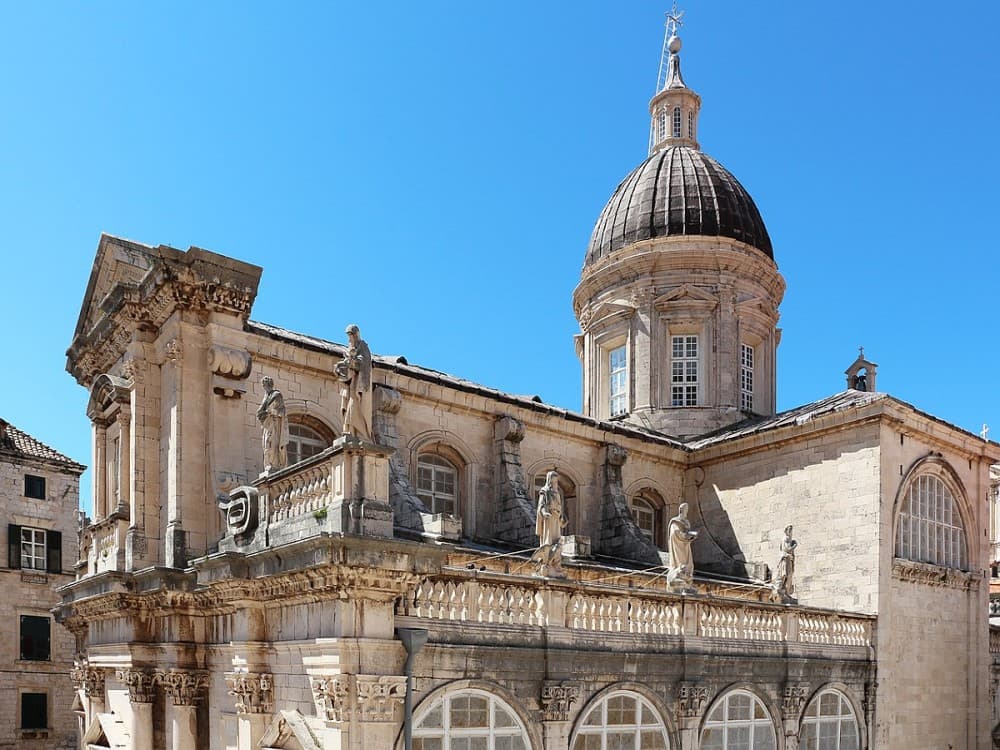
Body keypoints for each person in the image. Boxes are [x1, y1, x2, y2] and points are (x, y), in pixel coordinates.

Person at [335, 324, 373, 441]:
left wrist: (351, 362)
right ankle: (349, 431)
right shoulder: (350, 348)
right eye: (348, 335)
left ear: (356, 334)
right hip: (350, 385)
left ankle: (359, 434)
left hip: (358, 387)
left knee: (354, 406)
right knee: (347, 406)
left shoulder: (363, 346)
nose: (349, 338)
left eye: (351, 335)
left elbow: (363, 363)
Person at [533, 470, 566, 576]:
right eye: (553, 479)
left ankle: (556, 564)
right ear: (549, 479)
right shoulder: (544, 491)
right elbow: (541, 506)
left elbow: (559, 506)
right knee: (548, 541)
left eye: (556, 480)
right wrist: (544, 513)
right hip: (548, 519)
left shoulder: (557, 493)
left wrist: (561, 517)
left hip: (556, 519)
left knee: (557, 542)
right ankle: (546, 562)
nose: (554, 482)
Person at [256, 376, 288, 473]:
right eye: (263, 385)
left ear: (269, 385)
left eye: (265, 385)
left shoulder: (276, 395)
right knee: (266, 445)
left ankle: (274, 465)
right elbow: (260, 411)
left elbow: (281, 411)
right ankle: (268, 465)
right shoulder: (266, 396)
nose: (264, 387)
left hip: (274, 424)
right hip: (267, 424)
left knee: (272, 444)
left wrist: (271, 412)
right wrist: (262, 413)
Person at [667, 502, 698, 587]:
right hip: (678, 544)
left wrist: (691, 536)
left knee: (689, 564)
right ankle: (678, 573)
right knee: (680, 563)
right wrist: (684, 535)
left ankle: (687, 576)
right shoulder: (675, 521)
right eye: (685, 510)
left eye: (687, 510)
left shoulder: (687, 522)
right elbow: (674, 533)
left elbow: (687, 532)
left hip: (686, 545)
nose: (686, 512)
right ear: (680, 510)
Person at [773, 525, 798, 600]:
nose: (790, 532)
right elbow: (787, 549)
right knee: (785, 575)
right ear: (786, 530)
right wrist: (794, 545)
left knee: (789, 575)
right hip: (785, 558)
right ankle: (780, 591)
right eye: (789, 530)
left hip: (788, 559)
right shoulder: (786, 538)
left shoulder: (788, 539)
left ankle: (786, 592)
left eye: (791, 530)